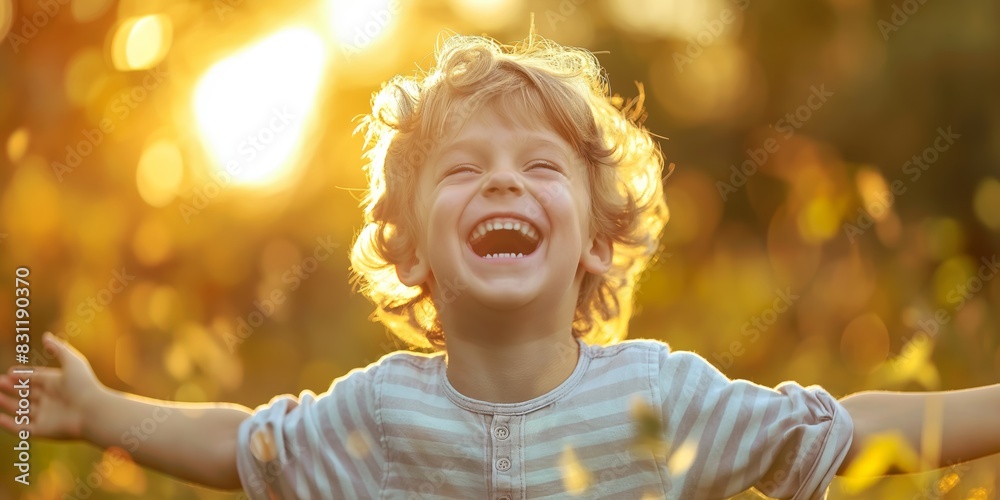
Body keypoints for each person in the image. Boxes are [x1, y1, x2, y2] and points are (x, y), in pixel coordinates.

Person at [2, 33, 999, 500]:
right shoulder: (376, 415)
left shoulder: (663, 400)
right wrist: (100, 412)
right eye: (463, 171)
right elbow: (245, 448)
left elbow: (841, 428)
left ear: (599, 239)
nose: (501, 186)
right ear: (409, 249)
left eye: (537, 168)